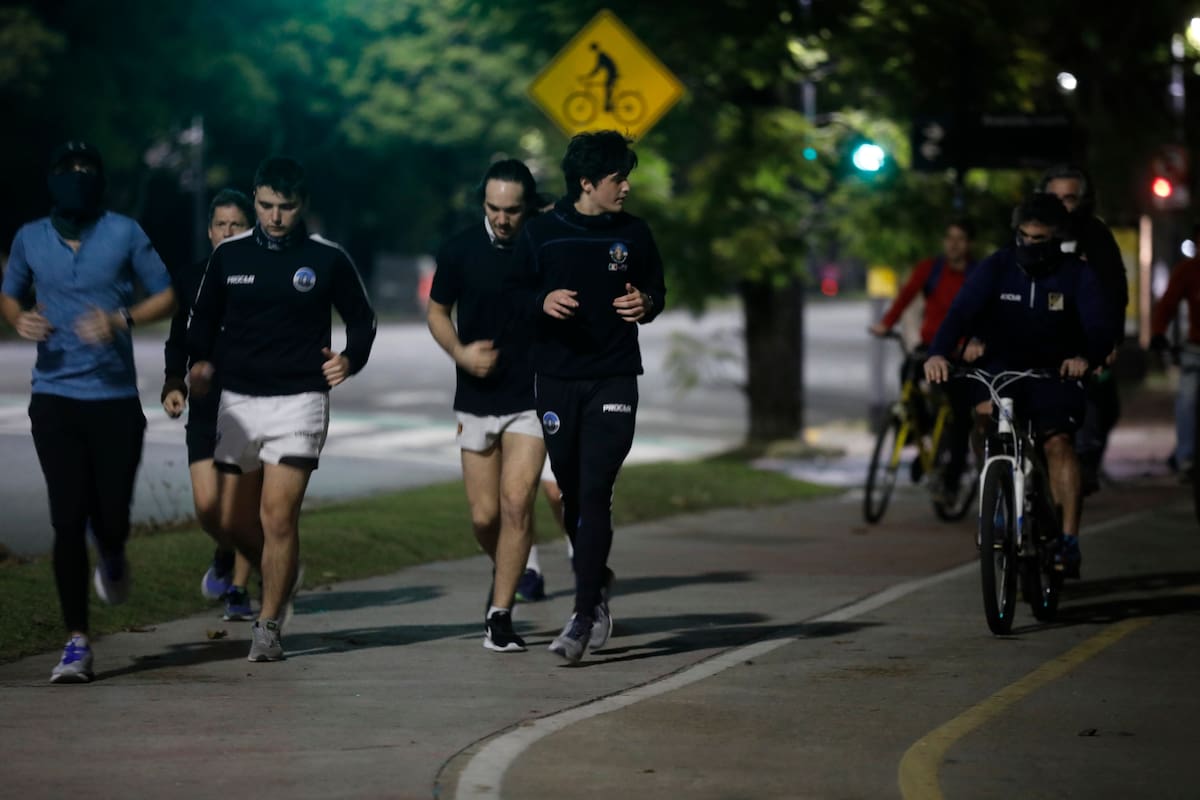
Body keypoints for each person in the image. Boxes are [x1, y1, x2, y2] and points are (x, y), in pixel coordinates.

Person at [187, 156, 377, 662]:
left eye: (286, 207)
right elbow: (202, 318)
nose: (275, 216)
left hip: (300, 401)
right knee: (231, 520)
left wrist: (350, 359)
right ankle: (282, 572)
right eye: (267, 205)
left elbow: (363, 319)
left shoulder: (326, 257)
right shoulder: (228, 256)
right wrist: (199, 364)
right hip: (239, 402)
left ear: (302, 205)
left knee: (277, 517)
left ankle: (268, 626)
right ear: (255, 199)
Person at [0, 141, 176, 683]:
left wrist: (120, 319)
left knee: (111, 519)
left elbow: (167, 294)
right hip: (54, 398)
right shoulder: (30, 237)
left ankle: (114, 552)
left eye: (87, 171)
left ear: (99, 181)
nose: (77, 178)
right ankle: (76, 641)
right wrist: (18, 318)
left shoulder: (124, 232)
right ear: (52, 180)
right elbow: (10, 294)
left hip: (115, 400)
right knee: (67, 519)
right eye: (68, 170)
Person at [513, 130, 666, 663]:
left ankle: (581, 616)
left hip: (614, 376)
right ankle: (596, 581)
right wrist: (542, 300)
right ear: (586, 183)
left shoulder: (635, 233)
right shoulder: (541, 233)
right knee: (572, 494)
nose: (626, 187)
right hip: (557, 379)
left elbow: (657, 291)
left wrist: (646, 303)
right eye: (617, 178)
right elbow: (514, 298)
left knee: (596, 488)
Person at [925, 194, 1113, 579]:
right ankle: (996, 490)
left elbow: (1099, 326)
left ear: (1056, 237)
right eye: (1023, 236)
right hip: (1001, 367)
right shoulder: (997, 265)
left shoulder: (1077, 274)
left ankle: (1068, 539)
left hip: (1056, 370)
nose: (1029, 244)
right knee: (983, 420)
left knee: (1058, 443)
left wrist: (1085, 357)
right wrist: (938, 353)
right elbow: (960, 311)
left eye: (1038, 238)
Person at [427, 159, 548, 652]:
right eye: (494, 208)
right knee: (484, 518)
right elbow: (438, 312)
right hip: (477, 396)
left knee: (517, 502)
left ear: (528, 208)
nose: (501, 219)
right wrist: (460, 353)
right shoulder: (460, 249)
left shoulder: (544, 244)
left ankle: (500, 617)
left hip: (532, 396)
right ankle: (510, 566)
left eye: (512, 210)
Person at [162, 188, 256, 620]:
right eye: (221, 224)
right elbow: (177, 340)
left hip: (251, 404)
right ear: (210, 231)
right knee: (207, 507)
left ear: (249, 230)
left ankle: (239, 588)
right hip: (204, 403)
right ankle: (224, 551)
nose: (228, 231)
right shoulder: (191, 278)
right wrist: (174, 383)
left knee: (241, 506)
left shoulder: (262, 276)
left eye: (237, 225)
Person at [869, 219, 977, 495]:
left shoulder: (977, 274)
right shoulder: (931, 269)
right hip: (931, 346)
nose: (953, 244)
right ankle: (921, 431)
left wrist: (976, 343)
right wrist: (886, 323)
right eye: (949, 238)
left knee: (960, 413)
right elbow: (906, 295)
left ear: (969, 244)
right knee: (908, 375)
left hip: (961, 352)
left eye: (960, 239)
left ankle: (952, 478)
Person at [1039, 165, 1127, 493]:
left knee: (1099, 401)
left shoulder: (1095, 235)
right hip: (1037, 332)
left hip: (1085, 333)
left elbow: (1115, 288)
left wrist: (1110, 340)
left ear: (1082, 200)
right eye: (1055, 197)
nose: (1062, 205)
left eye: (1069, 198)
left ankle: (1085, 464)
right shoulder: (1031, 229)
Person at [1150, 222, 1200, 478]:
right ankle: (1186, 457)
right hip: (1196, 349)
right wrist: (1158, 332)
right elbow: (1167, 304)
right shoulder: (1189, 270)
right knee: (1187, 400)